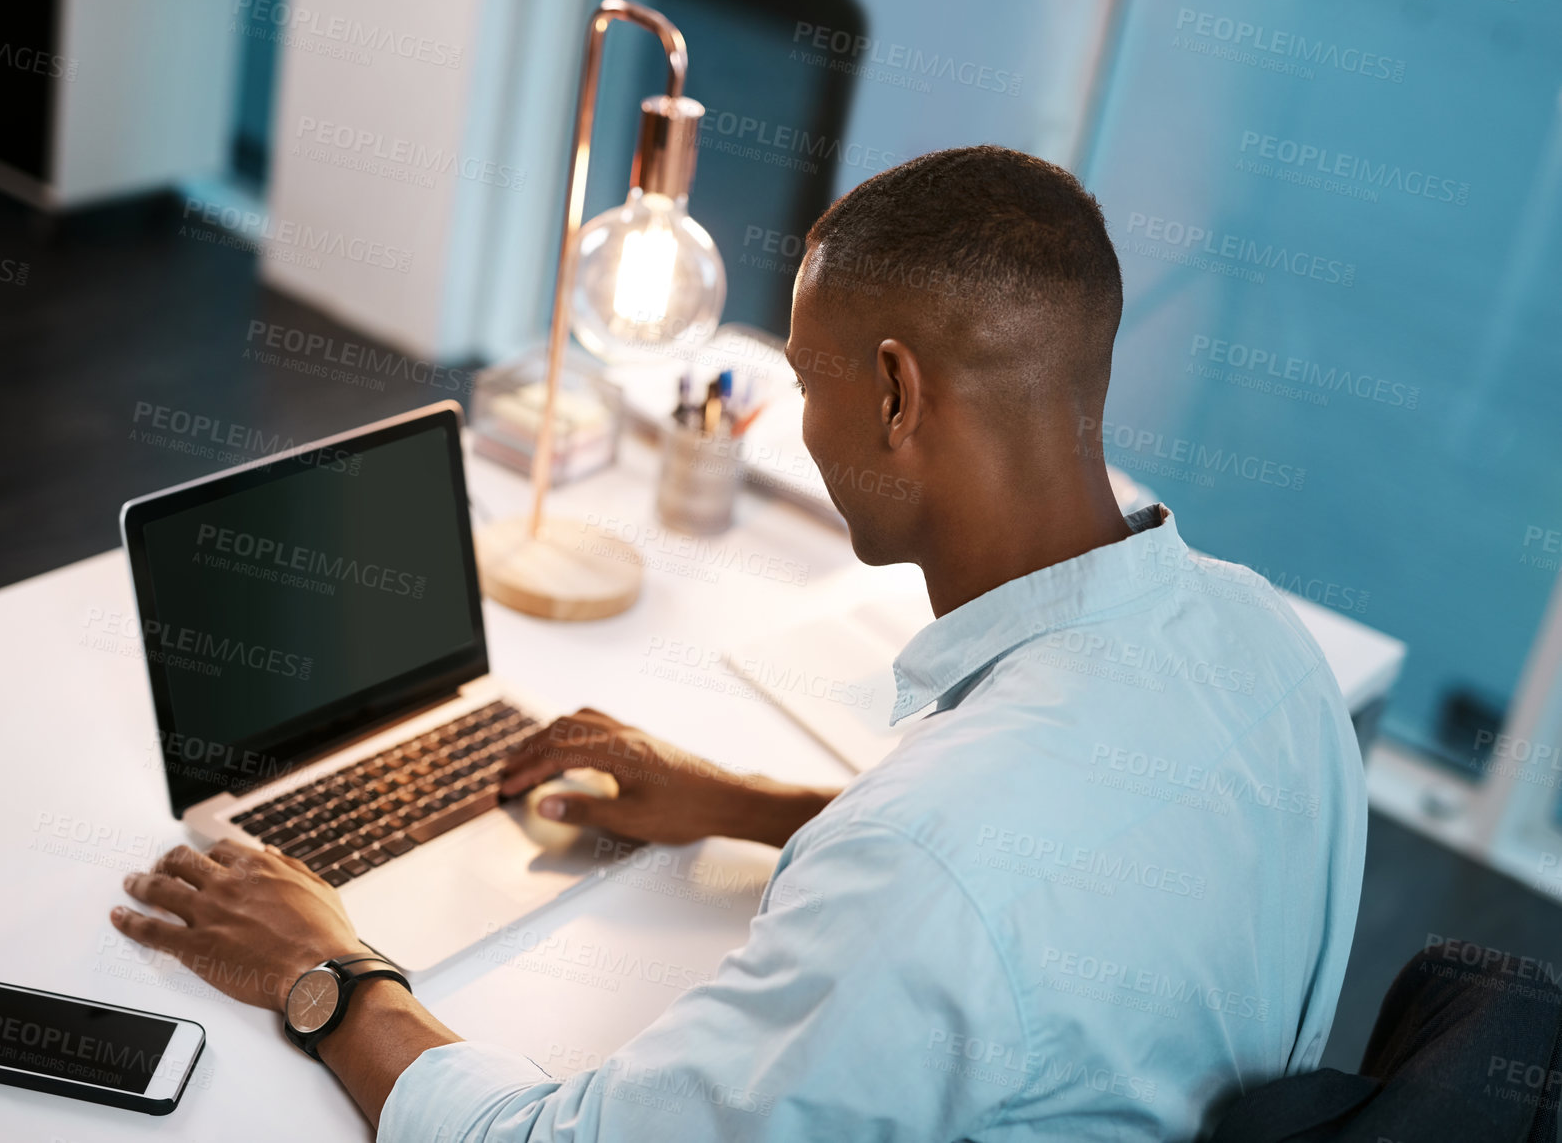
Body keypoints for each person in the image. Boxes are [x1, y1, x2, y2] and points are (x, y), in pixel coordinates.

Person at [109, 145, 1367, 1141]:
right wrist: (751, 803)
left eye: (805, 386)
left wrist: (326, 970)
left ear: (893, 395)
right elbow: (1072, 857)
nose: (802, 431)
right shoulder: (1268, 647)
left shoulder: (928, 866)